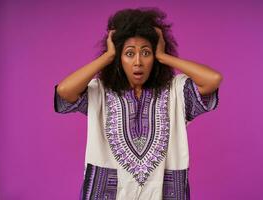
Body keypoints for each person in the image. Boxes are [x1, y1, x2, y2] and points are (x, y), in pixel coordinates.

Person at [54, 7, 222, 200]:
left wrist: (164, 57)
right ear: (119, 59)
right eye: (129, 53)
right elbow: (65, 92)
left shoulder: (176, 92)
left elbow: (213, 79)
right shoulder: (99, 91)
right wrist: (108, 56)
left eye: (146, 52)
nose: (138, 62)